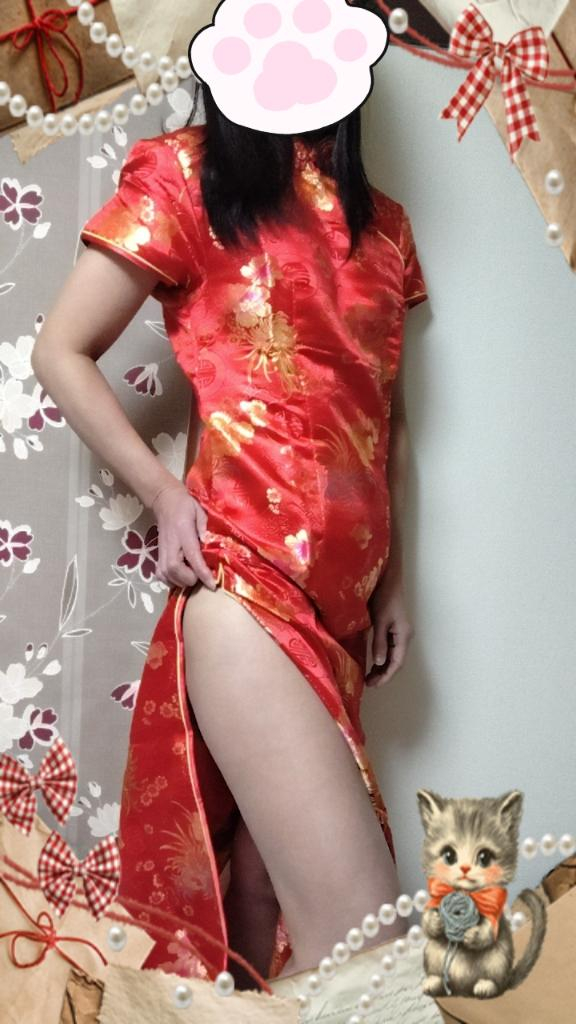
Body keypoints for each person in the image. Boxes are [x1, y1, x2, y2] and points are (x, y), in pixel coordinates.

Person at [31, 80, 428, 989]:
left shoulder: (386, 226)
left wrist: (396, 580)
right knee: (367, 954)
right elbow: (60, 350)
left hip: (343, 616)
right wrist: (165, 495)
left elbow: (387, 418)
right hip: (247, 589)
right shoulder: (188, 175)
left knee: (258, 933)